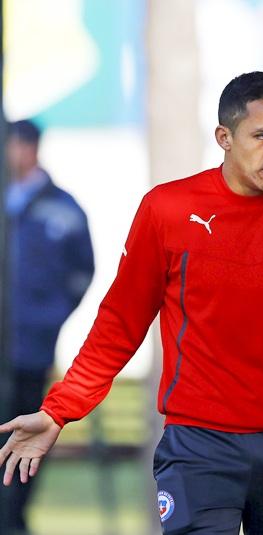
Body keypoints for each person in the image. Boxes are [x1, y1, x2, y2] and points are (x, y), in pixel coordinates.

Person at [0, 72, 263, 535]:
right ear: (224, 137)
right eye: (262, 135)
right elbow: (119, 326)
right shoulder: (168, 210)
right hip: (198, 443)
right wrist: (60, 408)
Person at [0, 119, 94, 535]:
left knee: (24, 436)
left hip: (29, 351)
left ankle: (15, 519)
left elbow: (81, 272)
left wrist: (47, 318)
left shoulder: (63, 207)